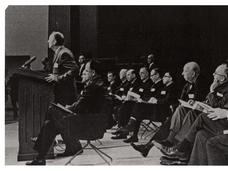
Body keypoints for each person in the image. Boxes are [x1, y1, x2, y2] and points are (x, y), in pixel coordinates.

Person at [26, 60, 107, 165]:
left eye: (86, 71)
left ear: (93, 73)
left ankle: (41, 150)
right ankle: (40, 157)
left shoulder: (92, 87)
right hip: (88, 121)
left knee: (51, 111)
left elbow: (79, 107)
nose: (82, 73)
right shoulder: (95, 84)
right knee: (49, 125)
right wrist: (69, 108)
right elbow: (82, 105)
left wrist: (68, 108)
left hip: (87, 124)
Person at [130, 62, 207, 156]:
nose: (182, 73)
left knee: (173, 118)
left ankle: (163, 144)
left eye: (185, 71)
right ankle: (150, 146)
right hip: (184, 112)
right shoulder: (188, 85)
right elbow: (182, 99)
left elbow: (201, 101)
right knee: (171, 119)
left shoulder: (202, 83)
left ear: (193, 73)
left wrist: (193, 102)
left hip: (194, 115)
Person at [160, 64, 228, 165]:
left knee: (201, 117)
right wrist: (200, 104)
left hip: (224, 124)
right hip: (217, 121)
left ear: (222, 78)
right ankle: (187, 160)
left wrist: (212, 91)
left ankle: (180, 148)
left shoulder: (225, 89)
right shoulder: (219, 87)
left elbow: (220, 106)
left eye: (216, 73)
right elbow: (210, 103)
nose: (213, 75)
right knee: (200, 132)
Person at [123, 70, 178, 143]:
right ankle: (134, 135)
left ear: (171, 78)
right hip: (155, 108)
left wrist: (156, 101)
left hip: (162, 112)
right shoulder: (164, 87)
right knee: (138, 109)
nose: (163, 78)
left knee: (138, 108)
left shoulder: (173, 87)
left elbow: (168, 101)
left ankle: (129, 127)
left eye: (165, 76)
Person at [43, 31, 78, 105]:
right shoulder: (57, 53)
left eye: (49, 39)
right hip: (60, 92)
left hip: (66, 94)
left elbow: (74, 70)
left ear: (55, 41)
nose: (48, 41)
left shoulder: (64, 53)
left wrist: (57, 78)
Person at [111, 69, 142, 139]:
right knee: (121, 108)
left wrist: (130, 97)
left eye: (128, 74)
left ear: (133, 75)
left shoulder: (138, 83)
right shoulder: (130, 84)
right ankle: (121, 129)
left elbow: (139, 95)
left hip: (136, 104)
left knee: (122, 109)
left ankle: (123, 131)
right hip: (130, 102)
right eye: (127, 75)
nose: (127, 76)